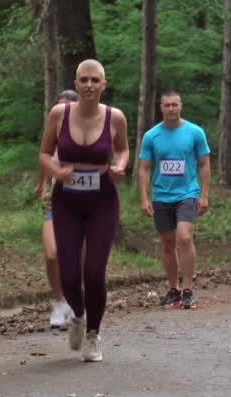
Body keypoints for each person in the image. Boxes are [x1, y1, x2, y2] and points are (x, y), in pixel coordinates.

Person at [37, 60, 129, 362]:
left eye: (95, 80)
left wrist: (120, 167)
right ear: (76, 84)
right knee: (69, 274)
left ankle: (93, 335)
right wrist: (56, 171)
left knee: (94, 272)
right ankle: (77, 314)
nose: (89, 85)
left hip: (102, 200)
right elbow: (44, 153)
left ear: (104, 84)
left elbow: (123, 149)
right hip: (67, 201)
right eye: (83, 80)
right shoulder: (59, 115)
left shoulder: (115, 117)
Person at [138, 90, 211, 310]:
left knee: (185, 237)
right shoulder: (151, 136)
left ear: (181, 106)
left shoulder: (195, 132)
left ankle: (188, 289)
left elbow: (204, 164)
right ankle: (173, 289)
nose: (171, 109)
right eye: (167, 105)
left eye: (174, 105)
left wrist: (204, 195)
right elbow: (143, 168)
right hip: (161, 195)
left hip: (187, 193)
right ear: (161, 108)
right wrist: (144, 198)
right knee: (168, 242)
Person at [37, 89, 80, 329]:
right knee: (52, 254)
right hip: (57, 201)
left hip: (85, 203)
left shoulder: (90, 132)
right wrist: (42, 184)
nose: (64, 112)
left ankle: (77, 301)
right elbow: (45, 159)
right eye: (60, 107)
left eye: (69, 107)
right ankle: (59, 300)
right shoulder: (51, 135)